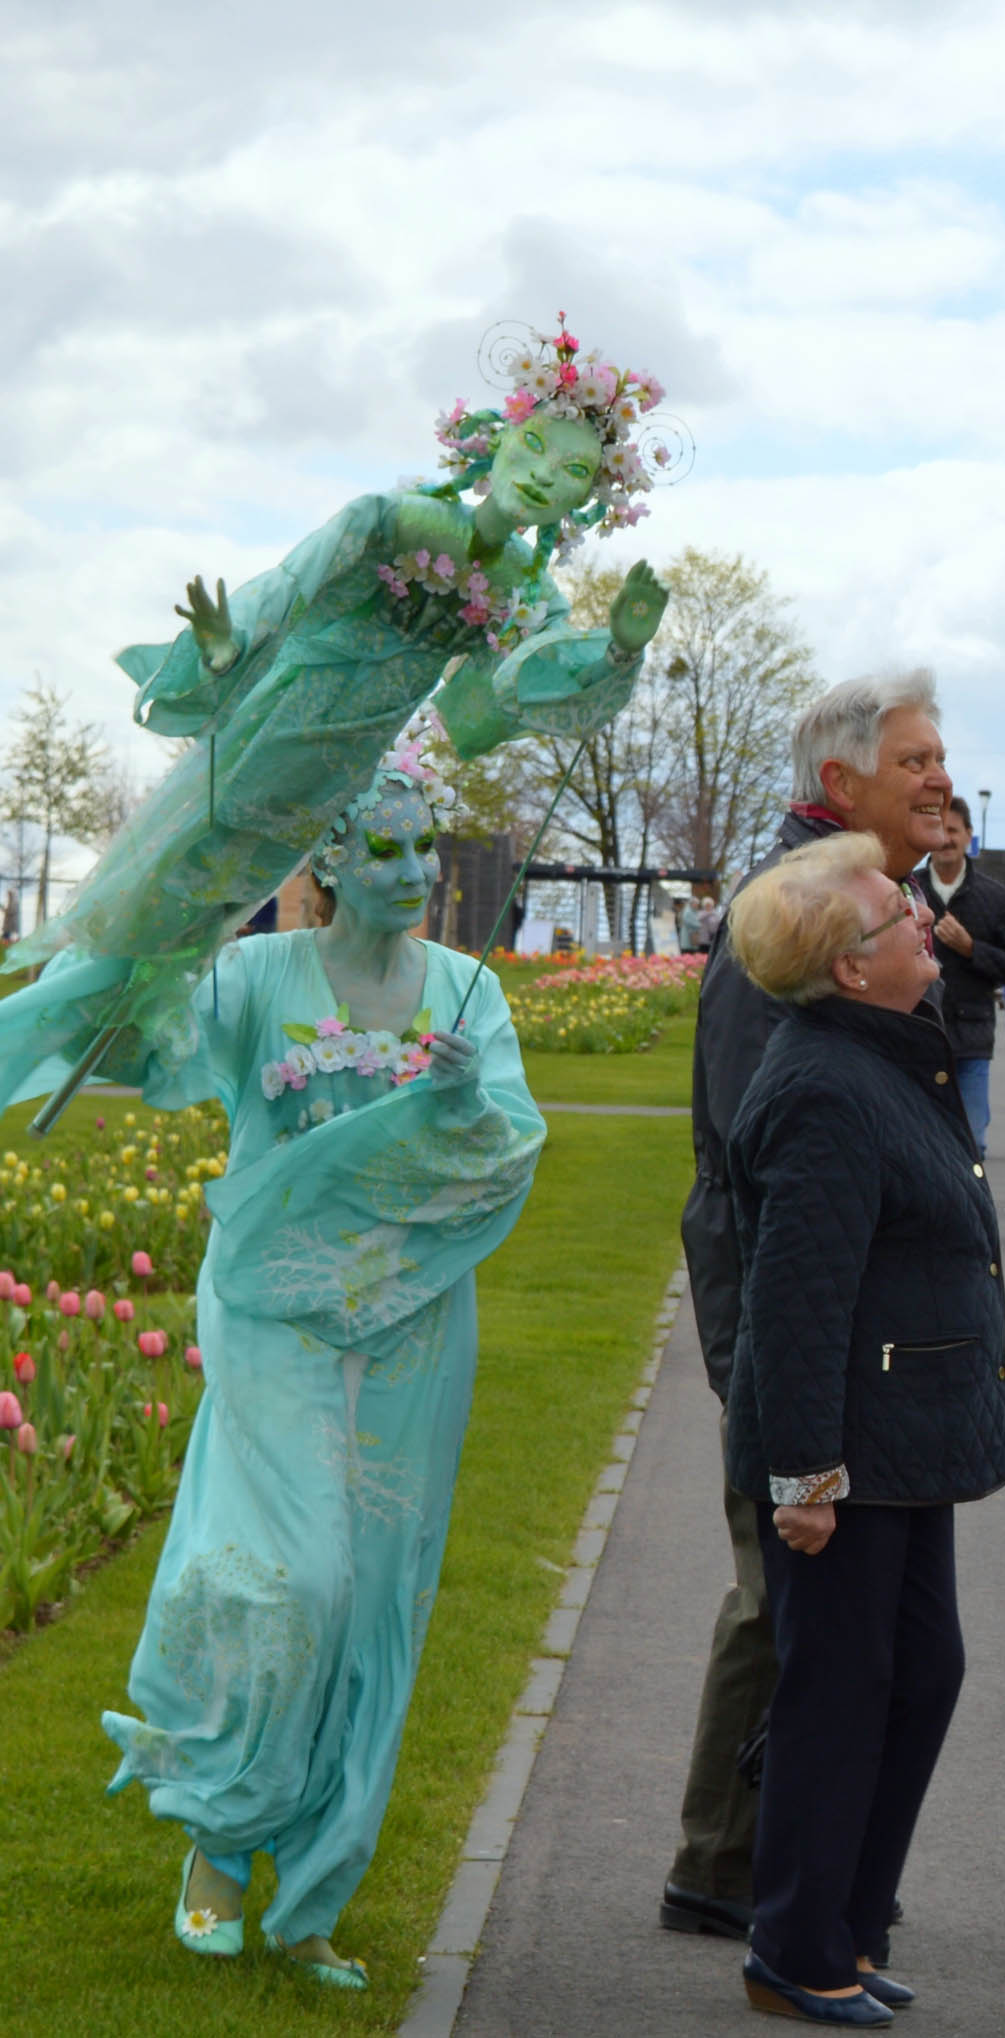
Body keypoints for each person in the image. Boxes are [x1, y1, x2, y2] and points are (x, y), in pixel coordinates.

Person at [56, 744, 542, 1988]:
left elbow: (507, 1153)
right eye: (383, 846)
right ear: (325, 860)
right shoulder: (261, 973)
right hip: (272, 1310)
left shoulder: (464, 994)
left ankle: (316, 1891)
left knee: (380, 1597)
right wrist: (173, 907)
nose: (414, 869)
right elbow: (142, 1043)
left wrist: (462, 1109)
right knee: (301, 1580)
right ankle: (220, 1844)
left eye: (425, 845)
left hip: (414, 1322)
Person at [0, 319, 668, 1115]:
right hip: (269, 732)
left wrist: (617, 652)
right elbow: (289, 585)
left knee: (210, 922)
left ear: (588, 500)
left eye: (574, 472)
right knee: (155, 899)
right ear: (496, 440)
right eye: (534, 446)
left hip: (335, 774)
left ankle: (102, 1046)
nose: (542, 476)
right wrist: (225, 647)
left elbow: (528, 680)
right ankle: (31, 1041)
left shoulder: (528, 590)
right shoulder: (391, 519)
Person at [665, 671, 950, 1944]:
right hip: (791, 1311)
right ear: (841, 783)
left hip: (846, 1318)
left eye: (941, 759)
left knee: (836, 1613)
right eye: (914, 763)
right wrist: (778, 1380)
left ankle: (786, 1872)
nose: (938, 780)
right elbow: (755, 1151)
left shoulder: (868, 898)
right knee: (788, 1585)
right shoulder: (790, 913)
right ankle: (739, 1868)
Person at [722, 830, 1005, 2026]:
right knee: (839, 1693)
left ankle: (846, 1920)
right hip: (846, 1456)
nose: (922, 924)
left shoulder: (885, 1059)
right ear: (850, 967)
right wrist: (803, 1476)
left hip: (902, 1441)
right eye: (897, 914)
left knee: (916, 1674)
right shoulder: (828, 1090)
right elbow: (794, 1305)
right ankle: (794, 1942)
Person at [912, 795, 1005, 1153]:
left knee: (971, 1144)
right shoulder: (904, 888)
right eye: (939, 829)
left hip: (971, 1040)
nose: (945, 838)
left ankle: (968, 1210)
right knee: (917, 1145)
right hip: (916, 1036)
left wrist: (971, 948)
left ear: (969, 835)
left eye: (954, 830)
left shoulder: (992, 897)